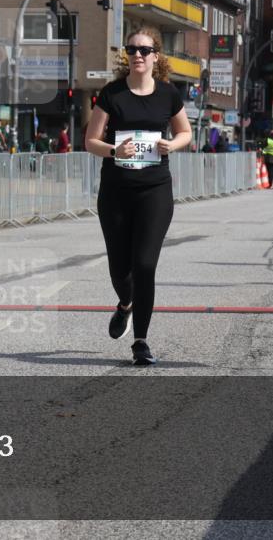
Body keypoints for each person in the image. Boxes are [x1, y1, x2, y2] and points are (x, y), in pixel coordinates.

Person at [84, 26, 192, 365]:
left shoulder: (167, 94)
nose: (138, 55)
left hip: (154, 189)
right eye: (132, 50)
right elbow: (90, 141)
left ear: (156, 56)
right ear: (126, 56)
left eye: (145, 50)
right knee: (120, 269)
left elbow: (185, 132)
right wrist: (116, 150)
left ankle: (141, 341)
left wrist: (171, 144)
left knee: (145, 264)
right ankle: (125, 304)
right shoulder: (112, 93)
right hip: (116, 190)